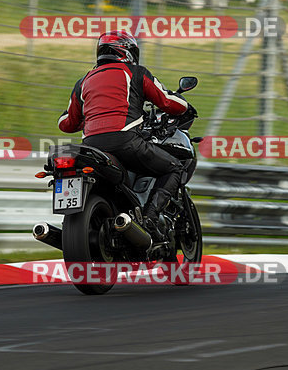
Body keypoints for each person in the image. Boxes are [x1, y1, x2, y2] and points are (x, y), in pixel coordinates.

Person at [57, 30, 190, 238]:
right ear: (128, 52)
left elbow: (66, 123)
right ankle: (150, 219)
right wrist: (184, 105)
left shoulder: (83, 82)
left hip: (91, 147)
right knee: (173, 168)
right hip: (126, 141)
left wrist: (90, 116)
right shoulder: (135, 73)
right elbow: (168, 102)